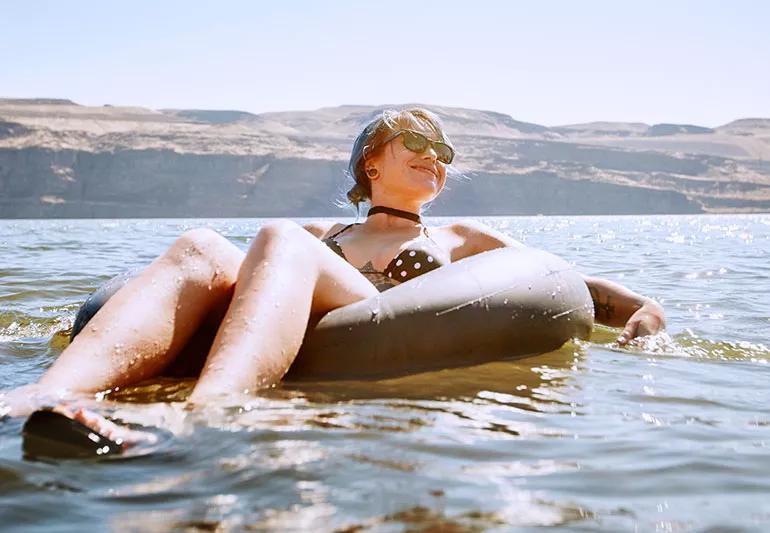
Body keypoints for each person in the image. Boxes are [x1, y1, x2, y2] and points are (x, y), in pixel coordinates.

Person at [2, 108, 665, 430]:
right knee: (202, 244)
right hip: (299, 313)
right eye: (421, 141)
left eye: (446, 150)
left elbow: (582, 291)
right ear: (371, 162)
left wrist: (643, 312)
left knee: (283, 239)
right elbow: (240, 279)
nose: (437, 155)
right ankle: (41, 395)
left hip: (380, 325)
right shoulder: (322, 234)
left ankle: (211, 412)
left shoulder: (462, 238)